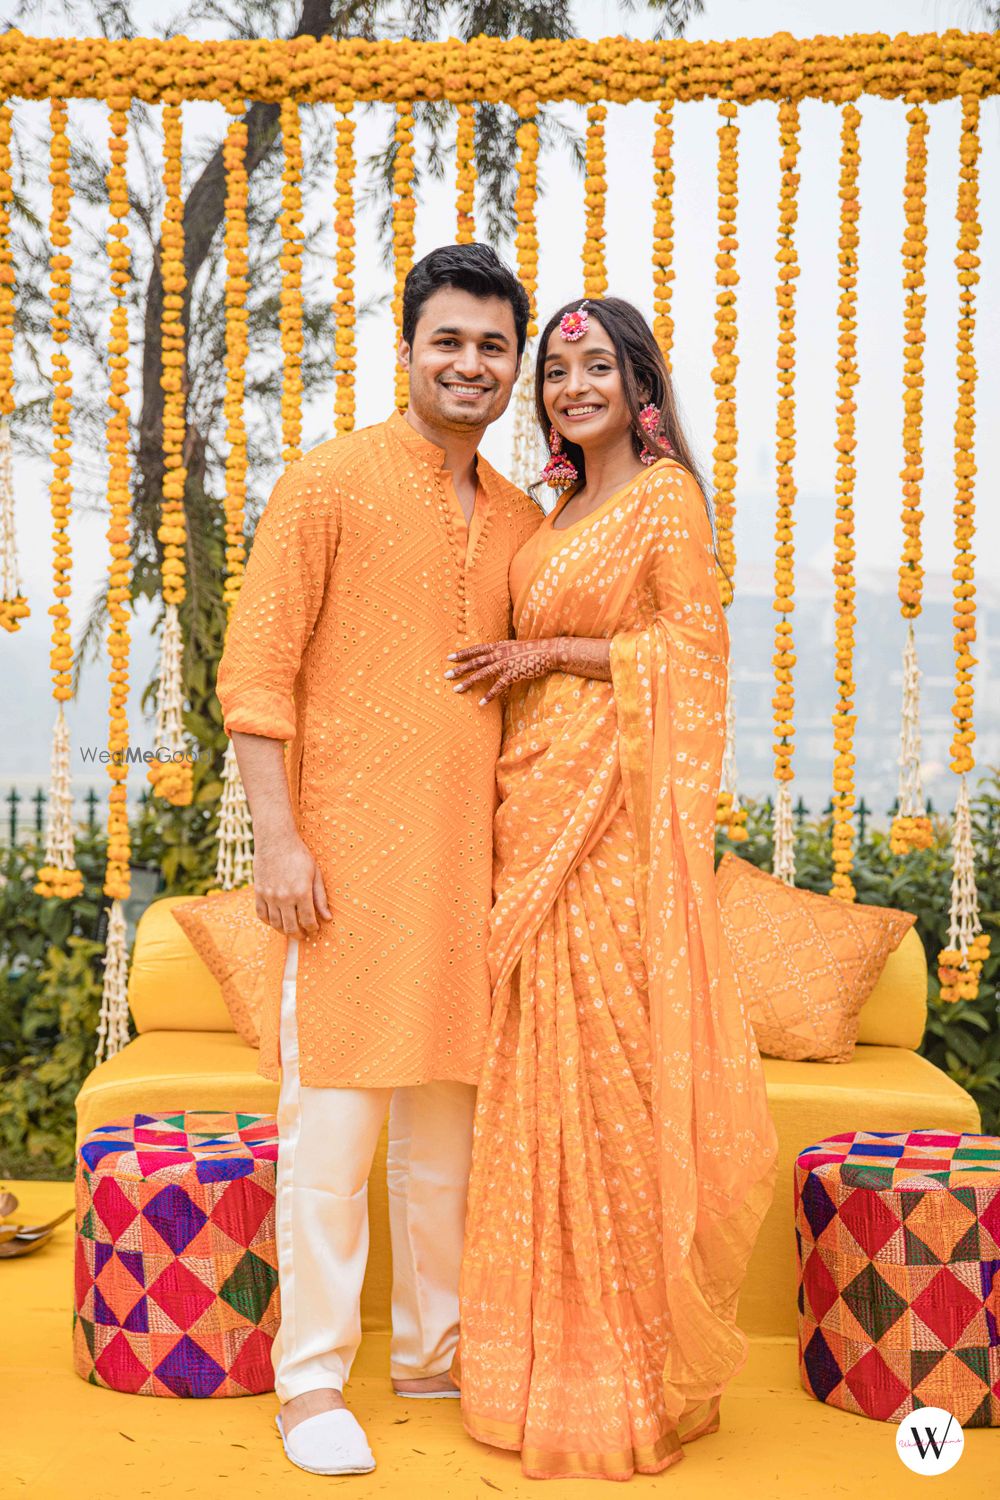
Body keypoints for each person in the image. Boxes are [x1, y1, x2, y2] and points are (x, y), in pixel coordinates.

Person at [215, 243, 543, 1477]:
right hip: (341, 875)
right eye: (447, 340)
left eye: (492, 345)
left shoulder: (519, 520)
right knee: (334, 1138)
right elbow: (256, 678)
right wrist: (281, 841)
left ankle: (431, 1352)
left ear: (514, 366)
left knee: (446, 1143)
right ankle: (307, 1382)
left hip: (472, 882)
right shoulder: (328, 483)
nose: (470, 363)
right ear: (405, 349)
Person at [446, 296, 778, 1481]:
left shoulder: (664, 497)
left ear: (638, 383)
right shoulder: (553, 509)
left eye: (593, 367)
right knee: (536, 1086)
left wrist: (547, 653)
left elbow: (692, 650)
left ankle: (627, 1373)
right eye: (556, 371)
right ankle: (524, 1365)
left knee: (616, 1095)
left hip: (613, 827)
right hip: (530, 809)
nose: (568, 386)